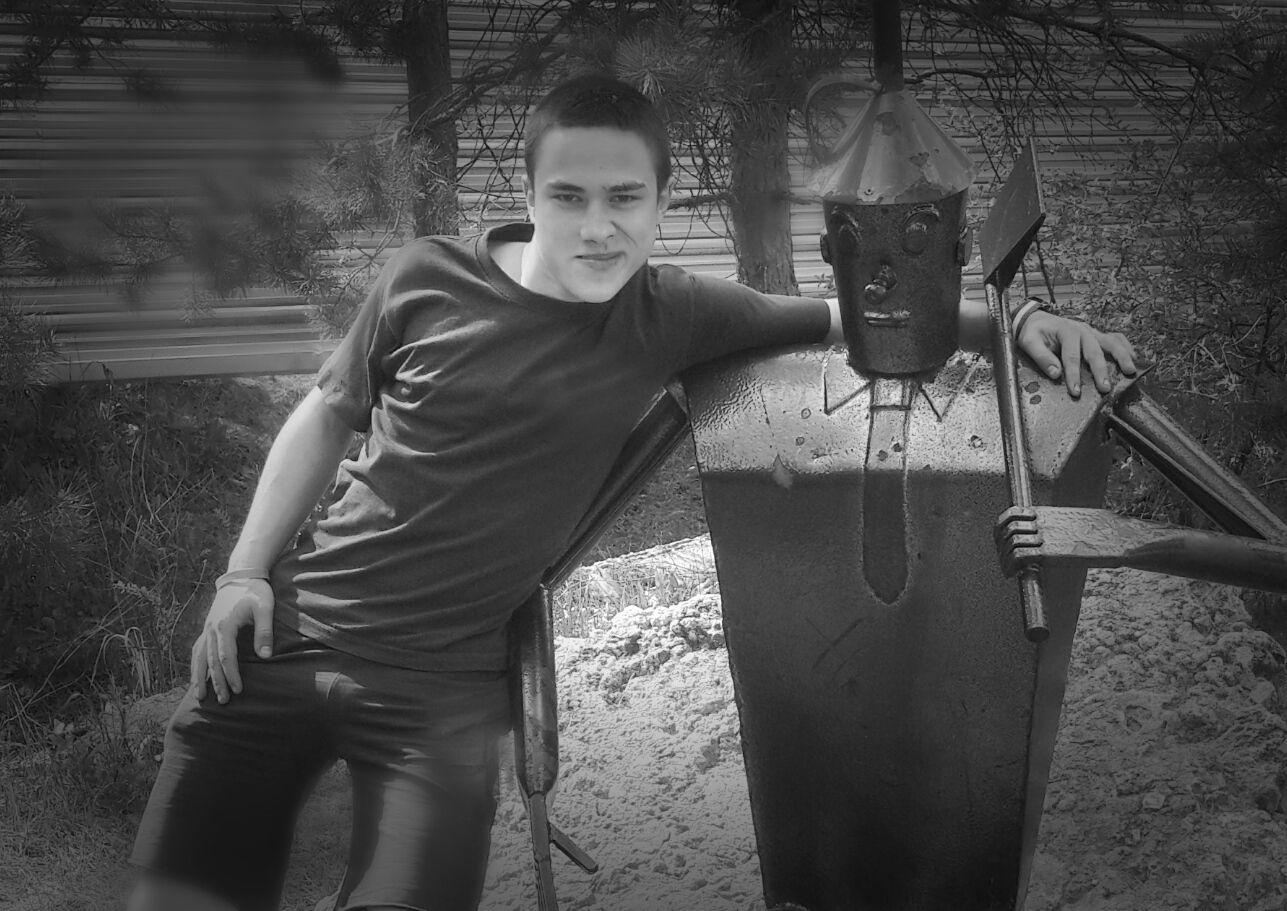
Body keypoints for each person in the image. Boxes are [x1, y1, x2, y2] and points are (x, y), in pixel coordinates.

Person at [125, 74, 1136, 911]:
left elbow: (860, 313)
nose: (597, 228)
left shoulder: (671, 313)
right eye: (569, 197)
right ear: (530, 195)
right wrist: (243, 572)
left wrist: (1020, 323)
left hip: (437, 699)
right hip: (290, 636)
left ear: (659, 203)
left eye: (624, 199)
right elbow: (324, 413)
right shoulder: (422, 279)